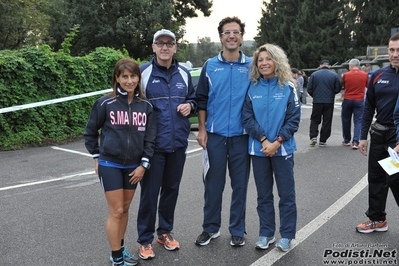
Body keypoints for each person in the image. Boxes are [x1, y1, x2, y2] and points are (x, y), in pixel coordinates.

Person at [84, 58, 157, 266]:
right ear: (117, 78)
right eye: (124, 76)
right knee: (115, 210)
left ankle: (121, 248)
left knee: (125, 209)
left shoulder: (146, 106)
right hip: (110, 164)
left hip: (134, 166)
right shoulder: (104, 103)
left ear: (138, 78)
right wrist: (96, 156)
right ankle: (116, 257)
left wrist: (143, 165)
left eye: (133, 76)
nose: (129, 80)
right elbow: (90, 132)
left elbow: (150, 138)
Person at [137, 29, 196, 259]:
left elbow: (193, 97)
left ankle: (164, 232)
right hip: (152, 146)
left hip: (178, 144)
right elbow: (130, 104)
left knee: (171, 191)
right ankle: (144, 239)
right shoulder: (143, 72)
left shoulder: (184, 72)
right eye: (160, 43)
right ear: (153, 47)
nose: (164, 47)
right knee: (150, 194)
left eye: (169, 43)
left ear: (175, 47)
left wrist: (190, 106)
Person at [195, 16, 252, 247]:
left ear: (241, 37)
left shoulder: (252, 65)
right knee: (213, 185)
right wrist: (201, 129)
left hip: (242, 136)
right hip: (215, 135)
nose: (231, 36)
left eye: (236, 32)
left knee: (239, 185)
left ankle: (237, 230)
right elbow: (201, 99)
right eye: (227, 32)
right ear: (221, 37)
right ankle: (210, 228)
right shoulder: (210, 65)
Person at [242, 43, 301, 252]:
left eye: (268, 59)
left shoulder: (288, 86)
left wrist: (277, 142)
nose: (264, 63)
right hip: (259, 149)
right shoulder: (252, 86)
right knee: (263, 195)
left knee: (286, 195)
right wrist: (264, 140)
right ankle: (266, 233)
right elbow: (247, 118)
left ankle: (286, 235)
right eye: (260, 60)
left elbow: (294, 120)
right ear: (256, 64)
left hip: (282, 149)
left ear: (277, 61)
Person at [357, 32, 399, 233]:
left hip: (397, 137)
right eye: (392, 50)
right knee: (375, 177)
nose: (395, 54)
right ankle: (377, 219)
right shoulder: (377, 75)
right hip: (379, 134)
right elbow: (368, 107)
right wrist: (363, 136)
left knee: (395, 179)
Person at [307, 59, 341, 147]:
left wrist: (315, 95)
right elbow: (338, 88)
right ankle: (323, 140)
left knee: (315, 119)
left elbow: (309, 89)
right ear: (329, 66)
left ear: (320, 65)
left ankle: (313, 136)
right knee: (327, 120)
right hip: (329, 101)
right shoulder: (334, 75)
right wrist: (332, 94)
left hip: (317, 101)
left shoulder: (314, 75)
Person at [341, 58, 369, 149]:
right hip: (359, 99)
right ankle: (356, 142)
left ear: (351, 66)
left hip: (348, 99)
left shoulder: (346, 75)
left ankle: (346, 140)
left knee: (346, 119)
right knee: (358, 120)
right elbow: (367, 86)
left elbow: (344, 86)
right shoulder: (365, 75)